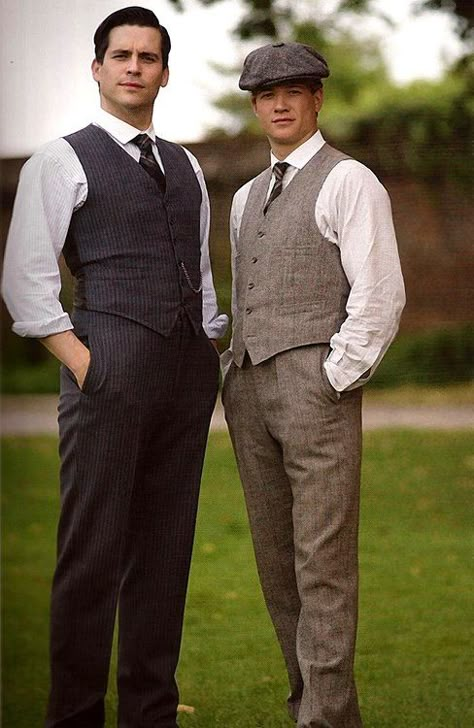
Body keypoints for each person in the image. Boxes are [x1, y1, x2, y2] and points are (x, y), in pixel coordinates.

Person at [2, 7, 227, 727]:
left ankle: (150, 714)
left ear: (165, 71)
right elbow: (26, 282)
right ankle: (72, 715)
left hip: (186, 376)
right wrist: (86, 365)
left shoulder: (187, 164)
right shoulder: (61, 158)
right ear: (97, 67)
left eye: (149, 57)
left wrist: (210, 347)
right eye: (121, 55)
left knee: (165, 556)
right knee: (92, 555)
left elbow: (202, 275)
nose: (135, 67)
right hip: (107, 372)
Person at [221, 42, 405, 727]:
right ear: (254, 104)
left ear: (316, 98)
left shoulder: (349, 180)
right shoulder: (242, 198)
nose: (279, 103)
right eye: (266, 94)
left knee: (322, 565)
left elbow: (380, 294)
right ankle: (315, 708)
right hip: (246, 388)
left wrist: (331, 378)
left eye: (293, 91)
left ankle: (323, 721)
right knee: (277, 568)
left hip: (313, 388)